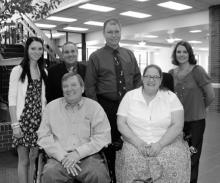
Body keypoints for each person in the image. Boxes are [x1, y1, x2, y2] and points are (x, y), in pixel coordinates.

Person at [84, 18, 142, 182]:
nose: (114, 35)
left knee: (129, 139)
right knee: (109, 142)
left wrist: (136, 101)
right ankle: (110, 175)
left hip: (128, 105)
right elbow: (90, 86)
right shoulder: (96, 57)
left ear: (121, 33)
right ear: (104, 34)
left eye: (116, 31)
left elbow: (137, 78)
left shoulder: (128, 54)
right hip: (106, 106)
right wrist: (97, 110)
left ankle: (128, 174)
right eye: (110, 32)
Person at [115, 64, 191, 183]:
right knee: (132, 159)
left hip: (166, 142)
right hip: (135, 142)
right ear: (142, 78)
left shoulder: (171, 97)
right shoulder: (130, 97)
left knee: (174, 158)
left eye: (155, 77)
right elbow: (121, 123)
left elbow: (177, 125)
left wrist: (160, 144)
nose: (151, 80)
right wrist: (138, 143)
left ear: (160, 80)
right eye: (148, 76)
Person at [37, 72, 111, 183]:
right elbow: (43, 137)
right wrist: (62, 157)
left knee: (98, 174)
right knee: (50, 175)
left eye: (73, 85)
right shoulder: (51, 108)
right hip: (59, 158)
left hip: (88, 156)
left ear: (82, 88)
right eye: (65, 86)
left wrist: (78, 153)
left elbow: (103, 136)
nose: (69, 89)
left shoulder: (94, 107)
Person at [169, 41, 215, 183]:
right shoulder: (171, 73)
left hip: (195, 122)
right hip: (177, 122)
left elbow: (210, 95)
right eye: (178, 52)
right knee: (177, 155)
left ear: (189, 54)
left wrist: (200, 107)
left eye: (184, 52)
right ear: (175, 55)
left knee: (192, 155)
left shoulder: (197, 71)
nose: (181, 54)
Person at [8, 36, 47, 183]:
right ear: (27, 50)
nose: (37, 51)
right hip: (23, 121)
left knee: (34, 159)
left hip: (39, 122)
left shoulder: (44, 72)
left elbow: (43, 100)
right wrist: (15, 125)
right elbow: (11, 100)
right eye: (33, 48)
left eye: (40, 48)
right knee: (23, 160)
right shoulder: (17, 71)